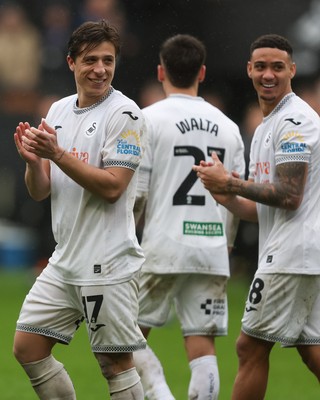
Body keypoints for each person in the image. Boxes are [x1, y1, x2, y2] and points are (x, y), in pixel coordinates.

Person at [13, 19, 147, 400]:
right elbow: (41, 192)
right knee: (27, 348)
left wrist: (55, 153)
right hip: (65, 260)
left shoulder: (127, 115)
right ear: (71, 62)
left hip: (108, 263)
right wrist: (32, 162)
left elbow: (113, 187)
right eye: (90, 60)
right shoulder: (57, 110)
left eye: (108, 60)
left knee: (115, 365)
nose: (100, 69)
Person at [193, 33, 320, 400]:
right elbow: (263, 207)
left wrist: (231, 182)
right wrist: (227, 195)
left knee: (250, 347)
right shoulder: (266, 125)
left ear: (292, 70)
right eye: (261, 66)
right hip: (297, 254)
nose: (269, 74)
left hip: (291, 256)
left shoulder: (295, 121)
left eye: (277, 67)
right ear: (249, 70)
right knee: (311, 350)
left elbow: (289, 196)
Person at [133, 34, 245, 400]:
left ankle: (159, 395)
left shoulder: (147, 119)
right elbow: (234, 194)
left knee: (124, 338)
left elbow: (139, 194)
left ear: (161, 71)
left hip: (161, 244)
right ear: (202, 72)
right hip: (211, 246)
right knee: (202, 346)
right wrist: (226, 244)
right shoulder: (229, 128)